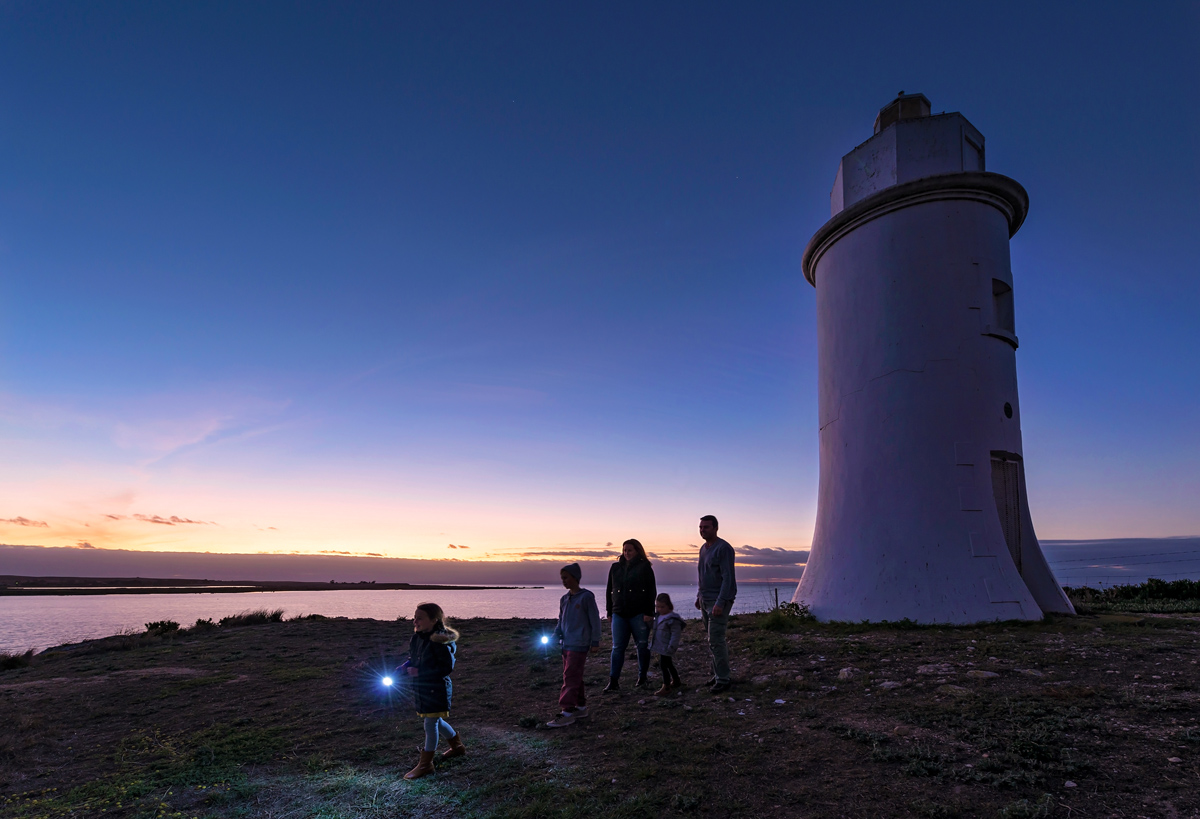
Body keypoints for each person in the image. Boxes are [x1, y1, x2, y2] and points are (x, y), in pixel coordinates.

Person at [400, 602, 464, 780]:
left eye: (420, 618)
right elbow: (414, 659)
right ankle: (457, 747)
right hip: (422, 688)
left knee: (430, 723)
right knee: (435, 720)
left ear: (434, 620)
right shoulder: (417, 638)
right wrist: (403, 667)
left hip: (437, 689)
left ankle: (426, 764)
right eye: (414, 617)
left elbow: (446, 667)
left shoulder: (440, 641)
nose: (415, 621)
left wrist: (420, 672)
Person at [546, 562, 601, 728]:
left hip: (580, 643)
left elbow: (595, 620)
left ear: (575, 578)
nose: (564, 581)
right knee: (573, 676)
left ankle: (567, 712)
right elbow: (561, 620)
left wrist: (595, 641)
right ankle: (581, 707)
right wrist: (556, 635)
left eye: (566, 578)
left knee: (570, 676)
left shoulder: (586, 597)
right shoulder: (564, 599)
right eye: (562, 578)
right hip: (566, 644)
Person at [603, 538, 657, 692]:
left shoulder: (645, 567)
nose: (626, 553)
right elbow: (609, 590)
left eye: (630, 550)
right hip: (619, 613)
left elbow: (651, 591)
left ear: (637, 551)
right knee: (618, 647)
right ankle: (613, 681)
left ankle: (642, 677)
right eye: (625, 550)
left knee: (642, 645)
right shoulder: (615, 567)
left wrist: (649, 612)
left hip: (639, 613)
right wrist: (609, 611)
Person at [695, 514, 736, 693]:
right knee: (712, 640)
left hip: (718, 601)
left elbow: (728, 578)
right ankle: (718, 674)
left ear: (715, 528)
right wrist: (699, 596)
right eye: (701, 527)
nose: (703, 530)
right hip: (705, 600)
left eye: (706, 527)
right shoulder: (703, 549)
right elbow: (703, 574)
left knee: (716, 640)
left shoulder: (724, 548)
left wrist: (720, 602)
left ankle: (723, 679)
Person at [649, 592, 685, 696]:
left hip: (667, 647)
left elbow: (675, 635)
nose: (659, 609)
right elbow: (654, 628)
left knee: (663, 665)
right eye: (657, 607)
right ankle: (676, 680)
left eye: (662, 607)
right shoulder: (658, 617)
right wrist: (648, 621)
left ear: (669, 606)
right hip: (661, 646)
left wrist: (672, 646)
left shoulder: (673, 620)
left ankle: (666, 686)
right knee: (668, 663)